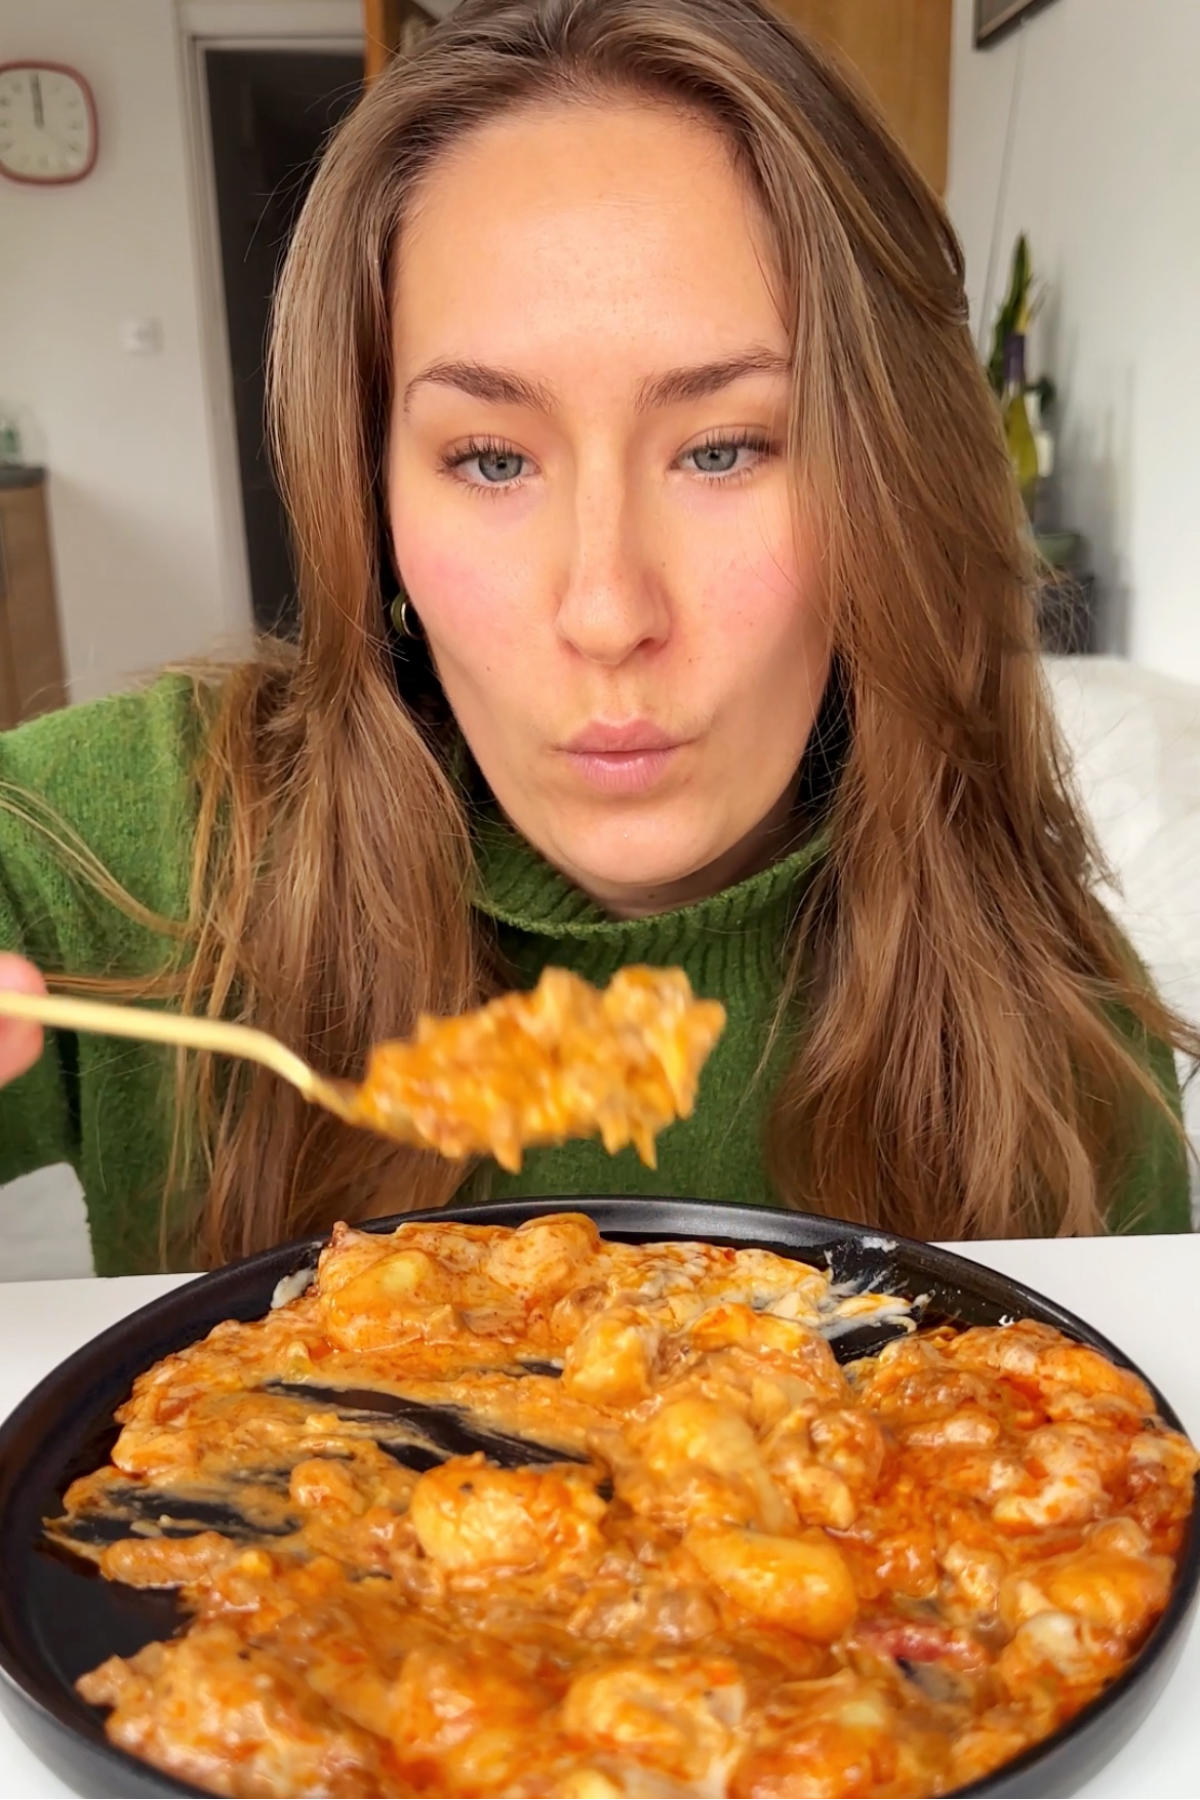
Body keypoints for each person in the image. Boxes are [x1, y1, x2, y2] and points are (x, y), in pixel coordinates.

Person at [0, 0, 1194, 1276]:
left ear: (886, 486)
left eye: (726, 448)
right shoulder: (143, 859)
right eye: (494, 458)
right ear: (371, 496)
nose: (610, 612)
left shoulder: (1054, 1038)